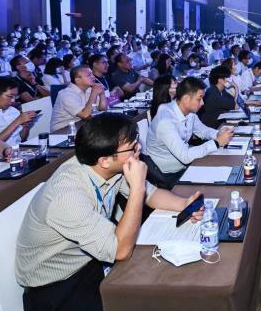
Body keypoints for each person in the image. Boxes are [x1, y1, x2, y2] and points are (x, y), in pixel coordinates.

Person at [15, 113, 203, 310]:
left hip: (89, 259)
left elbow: (152, 194)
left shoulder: (106, 166)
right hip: (55, 287)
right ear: (104, 160)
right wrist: (137, 188)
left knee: (160, 282)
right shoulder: (68, 196)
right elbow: (120, 251)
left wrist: (184, 203)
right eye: (132, 147)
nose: (139, 148)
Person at [145, 77, 234, 174]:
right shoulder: (166, 121)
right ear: (186, 99)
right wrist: (216, 142)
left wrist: (218, 134)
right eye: (199, 99)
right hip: (168, 174)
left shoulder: (189, 112)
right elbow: (185, 156)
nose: (202, 103)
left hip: (183, 166)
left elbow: (203, 131)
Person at [50, 66, 109, 131]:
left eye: (92, 74)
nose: (93, 77)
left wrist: (102, 94)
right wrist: (94, 93)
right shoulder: (66, 94)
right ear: (77, 80)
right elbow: (85, 115)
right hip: (62, 130)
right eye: (89, 75)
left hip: (81, 125)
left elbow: (103, 109)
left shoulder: (89, 89)